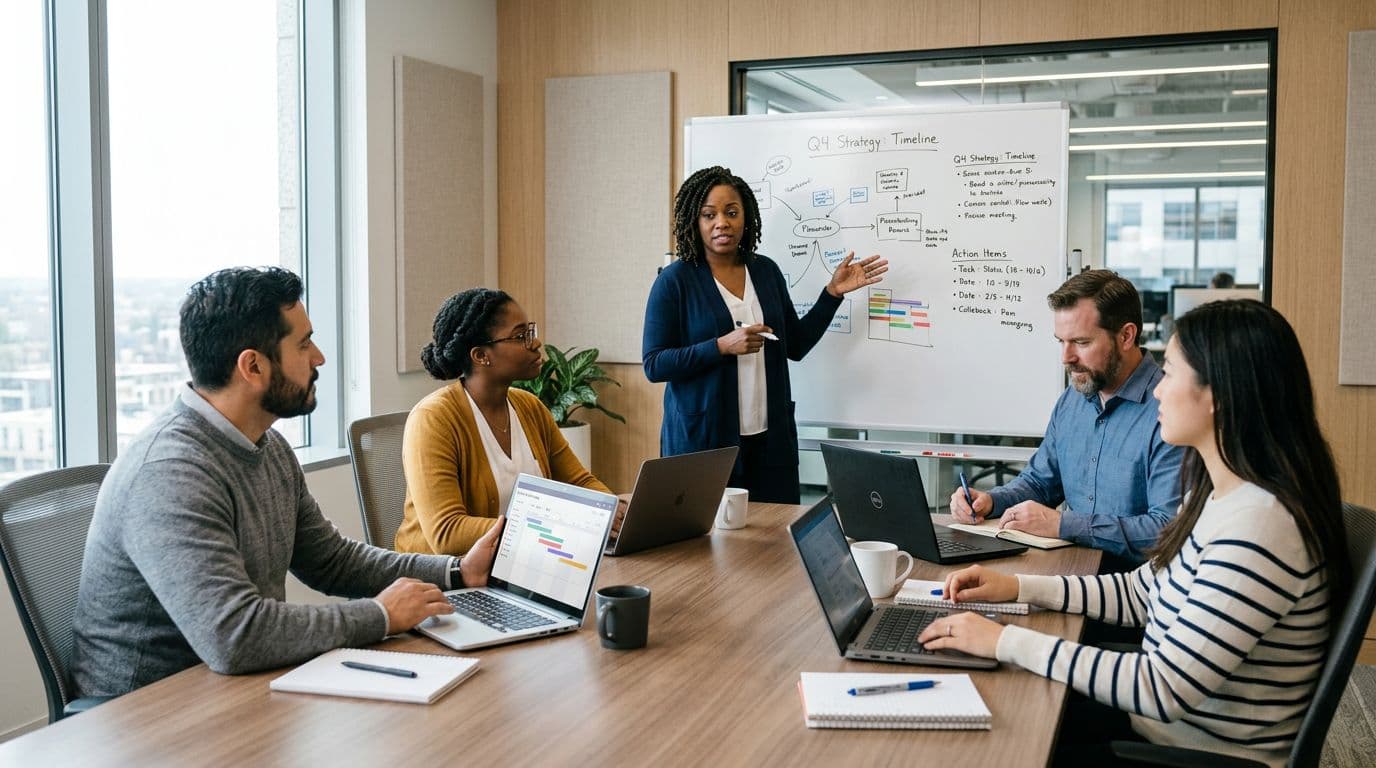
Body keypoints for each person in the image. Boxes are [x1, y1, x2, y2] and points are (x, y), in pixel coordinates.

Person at [919, 299, 1351, 767]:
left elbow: (1161, 688)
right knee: (991, 704)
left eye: (1170, 373)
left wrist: (1003, 640)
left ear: (1219, 395)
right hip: (1156, 728)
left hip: (1185, 751)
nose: (1158, 392)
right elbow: (1141, 591)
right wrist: (1018, 588)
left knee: (989, 740)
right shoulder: (1220, 493)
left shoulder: (1260, 526)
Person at [72, 267, 501, 699]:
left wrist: (457, 571)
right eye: (303, 343)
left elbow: (332, 561)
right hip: (146, 716)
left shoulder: (267, 445)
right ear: (253, 366)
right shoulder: (170, 471)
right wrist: (381, 615)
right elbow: (236, 635)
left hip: (234, 689)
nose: (319, 358)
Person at [642, 165, 887, 503]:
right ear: (694, 221)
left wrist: (832, 294)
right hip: (705, 444)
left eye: (731, 212)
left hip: (770, 444)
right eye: (709, 215)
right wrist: (721, 347)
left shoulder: (766, 271)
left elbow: (796, 345)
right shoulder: (674, 281)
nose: (721, 223)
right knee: (705, 548)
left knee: (776, 545)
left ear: (746, 217)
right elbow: (654, 364)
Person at [949, 270, 1184, 565]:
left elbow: (1166, 530)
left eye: (1081, 343)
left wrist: (1064, 525)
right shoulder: (1073, 399)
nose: (1066, 357)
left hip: (1131, 592)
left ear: (1126, 336)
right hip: (1069, 573)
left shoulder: (1171, 411)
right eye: (1061, 341)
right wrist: (992, 501)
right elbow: (1040, 483)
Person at [394, 288, 618, 556]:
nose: (536, 343)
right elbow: (448, 534)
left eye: (530, 332)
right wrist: (554, 529)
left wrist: (611, 511)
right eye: (521, 336)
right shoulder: (433, 420)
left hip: (520, 563)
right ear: (480, 356)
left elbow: (579, 482)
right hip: (444, 581)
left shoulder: (529, 406)